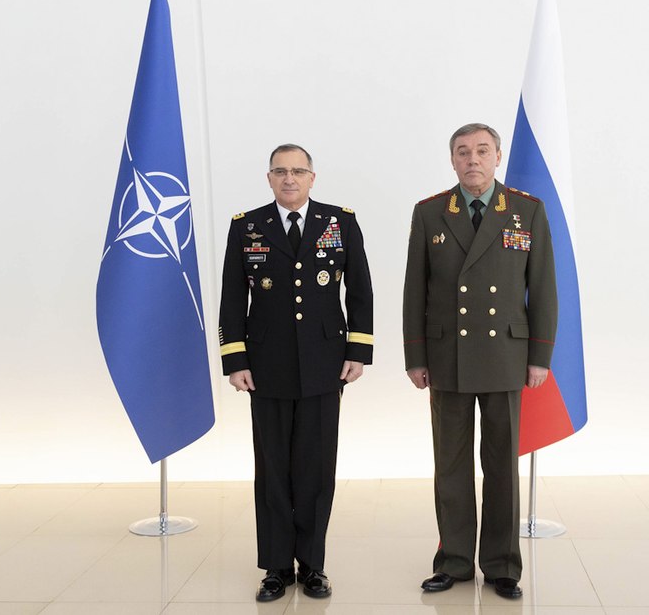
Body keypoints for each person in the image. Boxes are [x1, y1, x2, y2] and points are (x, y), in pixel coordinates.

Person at [402, 123, 557, 601]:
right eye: (463, 152)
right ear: (452, 160)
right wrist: (415, 355)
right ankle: (453, 561)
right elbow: (415, 290)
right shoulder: (430, 212)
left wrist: (539, 355)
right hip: (447, 356)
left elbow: (545, 288)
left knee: (501, 466)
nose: (473, 159)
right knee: (450, 465)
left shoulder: (526, 211)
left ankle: (502, 566)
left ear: (497, 157)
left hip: (505, 355)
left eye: (482, 151)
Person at [218, 144, 373, 602]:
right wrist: (235, 360)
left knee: (316, 469)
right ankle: (276, 567)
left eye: (298, 171)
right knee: (272, 472)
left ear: (312, 178)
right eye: (280, 171)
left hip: (326, 366)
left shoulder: (340, 222)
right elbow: (231, 297)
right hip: (265, 368)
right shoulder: (246, 227)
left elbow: (360, 290)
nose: (289, 179)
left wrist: (358, 350)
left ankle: (313, 566)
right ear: (269, 178)